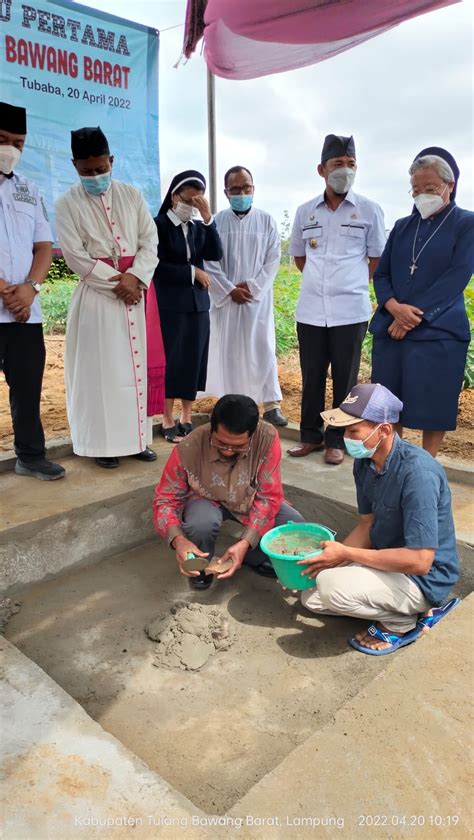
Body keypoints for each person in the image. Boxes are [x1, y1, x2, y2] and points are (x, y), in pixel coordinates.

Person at [297, 383, 460, 656]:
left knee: (330, 587)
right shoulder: (366, 461)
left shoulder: (418, 474)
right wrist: (326, 561)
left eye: (352, 430)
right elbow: (366, 525)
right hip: (388, 565)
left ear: (384, 430)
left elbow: (420, 562)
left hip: (423, 579)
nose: (345, 438)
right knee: (310, 595)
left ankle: (402, 622)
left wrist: (346, 554)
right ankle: (409, 610)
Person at [55, 126, 161, 469]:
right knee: (102, 371)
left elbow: (150, 241)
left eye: (101, 169)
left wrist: (136, 278)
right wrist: (119, 282)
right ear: (75, 166)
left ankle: (138, 439)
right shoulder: (66, 203)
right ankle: (103, 444)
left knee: (135, 370)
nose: (95, 176)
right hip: (98, 298)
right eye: (87, 171)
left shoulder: (132, 195)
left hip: (137, 292)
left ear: (111, 161)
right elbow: (75, 256)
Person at [288, 134, 386, 464]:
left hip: (350, 310)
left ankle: (337, 441)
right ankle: (310, 437)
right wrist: (321, 282)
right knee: (311, 375)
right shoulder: (306, 212)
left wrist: (350, 283)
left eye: (350, 164)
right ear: (322, 169)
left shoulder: (369, 210)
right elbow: (300, 257)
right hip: (312, 310)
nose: (344, 170)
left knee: (346, 379)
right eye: (337, 165)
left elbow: (375, 259)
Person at [370, 147, 474, 457]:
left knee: (434, 400)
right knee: (390, 400)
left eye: (429, 189)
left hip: (439, 327)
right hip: (393, 325)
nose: (422, 195)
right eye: (416, 190)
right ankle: (397, 457)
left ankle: (428, 463)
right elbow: (382, 274)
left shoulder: (466, 223)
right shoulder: (402, 226)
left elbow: (457, 276)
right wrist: (394, 308)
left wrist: (413, 316)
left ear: (449, 185)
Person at [153, 394, 304, 590]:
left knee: (295, 526)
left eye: (239, 446)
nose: (229, 451)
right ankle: (200, 568)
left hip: (248, 498)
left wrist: (246, 542)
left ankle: (248, 555)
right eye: (221, 443)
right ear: (211, 428)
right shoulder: (190, 446)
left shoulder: (267, 437)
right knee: (201, 523)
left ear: (252, 433)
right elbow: (166, 499)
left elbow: (268, 496)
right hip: (205, 498)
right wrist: (178, 540)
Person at [0, 102, 65, 480]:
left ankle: (31, 455)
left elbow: (43, 247)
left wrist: (31, 289)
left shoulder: (28, 188)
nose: (11, 149)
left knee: (27, 388)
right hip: (11, 300)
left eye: (19, 143)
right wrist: (8, 290)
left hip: (25, 312)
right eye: (3, 140)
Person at [203, 165, 287, 426]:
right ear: (227, 192)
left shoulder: (266, 220)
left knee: (262, 347)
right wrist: (229, 289)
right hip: (226, 302)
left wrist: (251, 287)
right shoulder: (217, 222)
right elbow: (209, 260)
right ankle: (228, 405)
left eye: (246, 187)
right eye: (236, 189)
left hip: (256, 301)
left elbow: (273, 260)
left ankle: (271, 404)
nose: (242, 193)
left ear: (254, 188)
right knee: (228, 351)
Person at [153, 170, 222, 443]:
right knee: (172, 359)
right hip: (171, 303)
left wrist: (208, 219)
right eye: (189, 200)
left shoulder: (196, 228)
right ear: (174, 198)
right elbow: (156, 266)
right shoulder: (158, 225)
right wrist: (192, 273)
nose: (192, 207)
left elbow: (215, 253)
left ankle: (186, 415)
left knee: (194, 358)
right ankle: (167, 417)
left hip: (198, 305)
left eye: (198, 202)